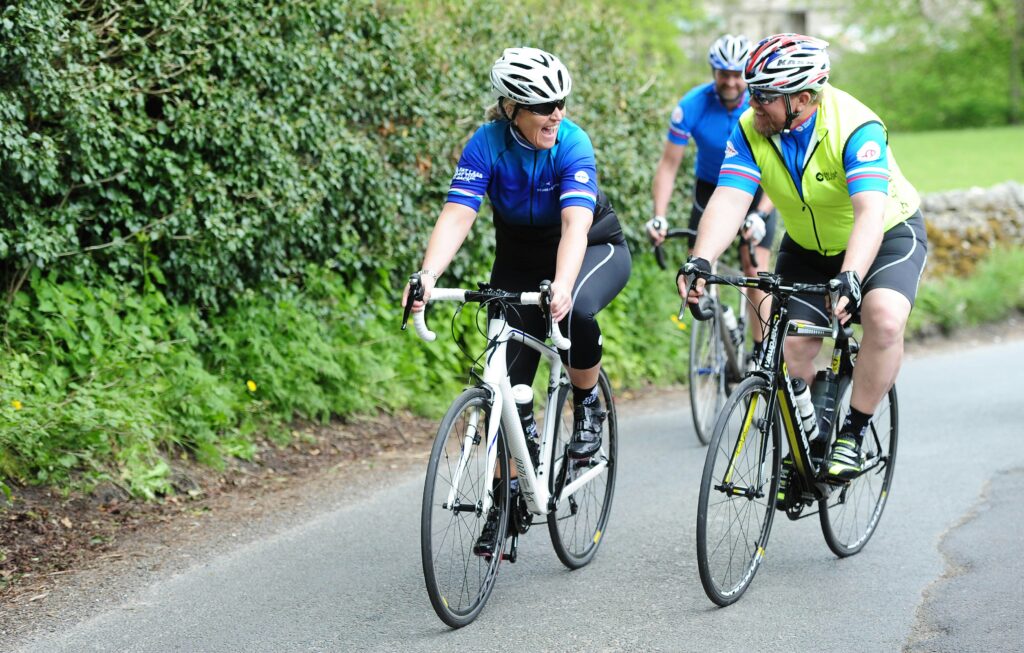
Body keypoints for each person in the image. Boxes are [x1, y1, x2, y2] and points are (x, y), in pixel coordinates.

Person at [403, 47, 631, 553]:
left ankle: (587, 402)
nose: (556, 114)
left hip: (592, 246)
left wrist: (565, 285)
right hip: (520, 258)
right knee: (504, 378)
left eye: (561, 102)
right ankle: (506, 495)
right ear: (510, 108)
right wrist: (427, 274)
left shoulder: (572, 143)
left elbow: (576, 225)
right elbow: (459, 214)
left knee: (579, 314)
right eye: (542, 106)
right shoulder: (486, 144)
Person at [678, 34, 927, 491]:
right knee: (790, 344)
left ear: (804, 99)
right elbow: (731, 198)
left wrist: (851, 276)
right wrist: (700, 260)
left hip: (886, 234)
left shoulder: (856, 126)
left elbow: (870, 211)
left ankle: (853, 432)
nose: (753, 105)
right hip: (810, 246)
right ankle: (806, 441)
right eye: (752, 92)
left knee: (885, 320)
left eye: (765, 96)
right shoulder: (754, 128)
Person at [649, 34, 777, 361]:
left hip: (761, 189)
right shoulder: (692, 105)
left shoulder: (763, 104)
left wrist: (760, 214)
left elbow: (781, 169)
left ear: (747, 73)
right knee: (698, 263)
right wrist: (659, 215)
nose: (732, 82)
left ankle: (762, 348)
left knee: (755, 267)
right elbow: (668, 165)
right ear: (713, 72)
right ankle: (721, 319)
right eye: (724, 74)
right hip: (711, 188)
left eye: (738, 74)